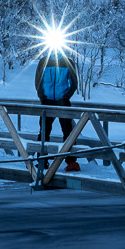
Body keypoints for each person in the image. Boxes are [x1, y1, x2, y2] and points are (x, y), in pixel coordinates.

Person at [33, 45, 81, 173]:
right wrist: (42, 97)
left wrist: (67, 96)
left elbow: (74, 82)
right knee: (44, 130)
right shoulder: (43, 61)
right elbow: (38, 80)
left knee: (68, 130)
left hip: (63, 100)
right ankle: (42, 160)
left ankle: (71, 161)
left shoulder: (68, 62)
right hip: (47, 100)